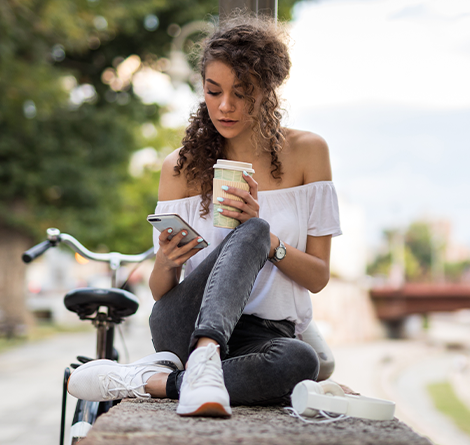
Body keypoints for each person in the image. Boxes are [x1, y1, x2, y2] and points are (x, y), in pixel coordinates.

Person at [68, 14, 341, 418]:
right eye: (213, 92)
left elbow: (317, 277)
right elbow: (163, 290)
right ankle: (204, 356)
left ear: (268, 90)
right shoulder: (179, 168)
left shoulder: (308, 153)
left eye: (242, 93)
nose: (225, 106)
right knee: (255, 228)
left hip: (264, 334)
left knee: (301, 361)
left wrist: (268, 245)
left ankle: (153, 381)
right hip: (185, 323)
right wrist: (165, 261)